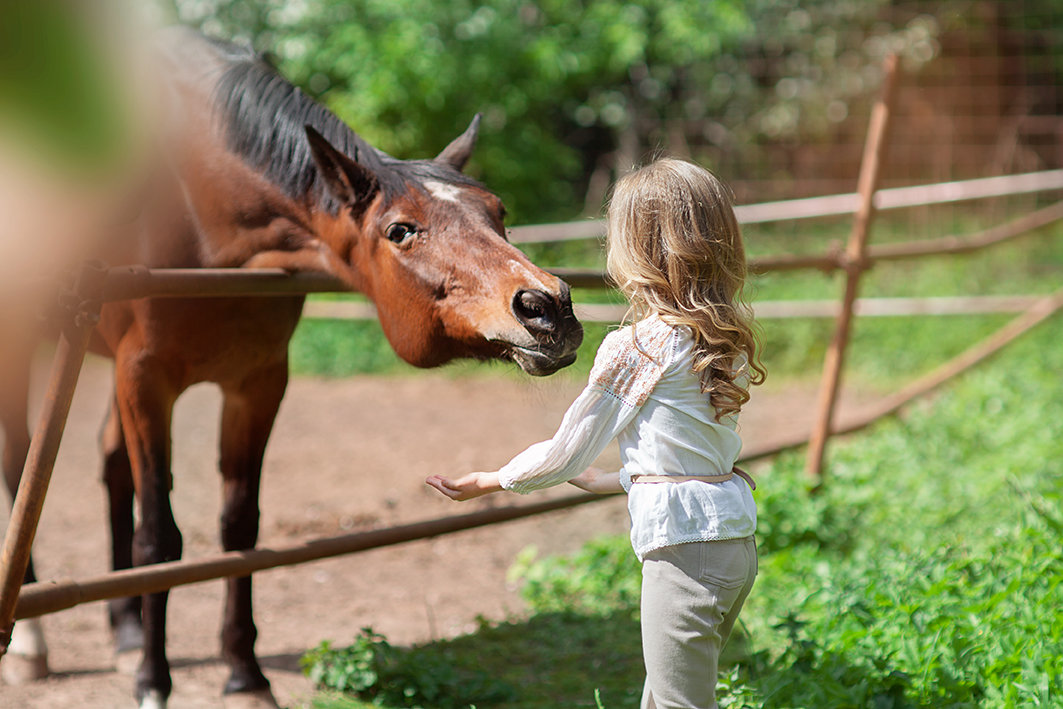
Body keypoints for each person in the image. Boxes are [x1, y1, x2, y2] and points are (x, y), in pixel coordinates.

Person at [426, 157, 766, 709]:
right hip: (732, 547)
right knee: (665, 697)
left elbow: (563, 452)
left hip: (684, 554)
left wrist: (492, 480)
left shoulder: (639, 345)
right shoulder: (714, 336)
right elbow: (691, 457)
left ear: (634, 249)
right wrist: (607, 479)